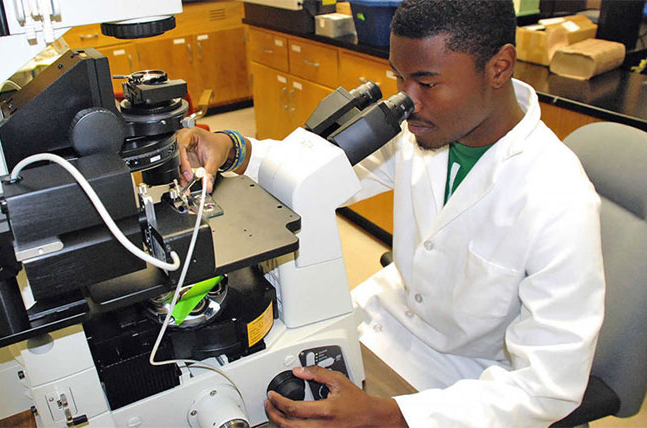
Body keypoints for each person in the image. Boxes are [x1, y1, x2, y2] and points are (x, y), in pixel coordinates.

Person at [176, 0, 605, 426]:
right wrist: (230, 147)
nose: (408, 103)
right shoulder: (427, 131)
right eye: (400, 80)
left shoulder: (559, 198)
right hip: (379, 326)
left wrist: (387, 415)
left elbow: (549, 387)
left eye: (427, 84)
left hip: (459, 390)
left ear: (499, 68)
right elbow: (317, 174)